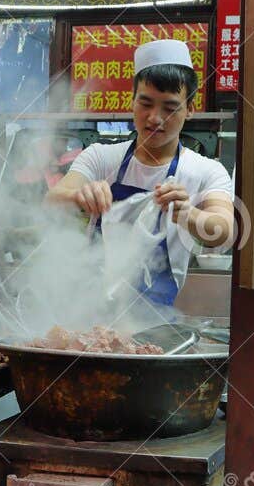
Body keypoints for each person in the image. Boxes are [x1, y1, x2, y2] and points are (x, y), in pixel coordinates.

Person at [45, 39, 235, 314]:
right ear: (132, 101)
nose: (155, 118)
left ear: (190, 109)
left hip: (154, 323)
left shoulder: (206, 171)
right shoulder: (101, 157)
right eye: (145, 103)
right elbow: (51, 202)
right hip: (86, 311)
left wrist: (188, 214)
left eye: (169, 108)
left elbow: (223, 231)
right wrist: (78, 195)